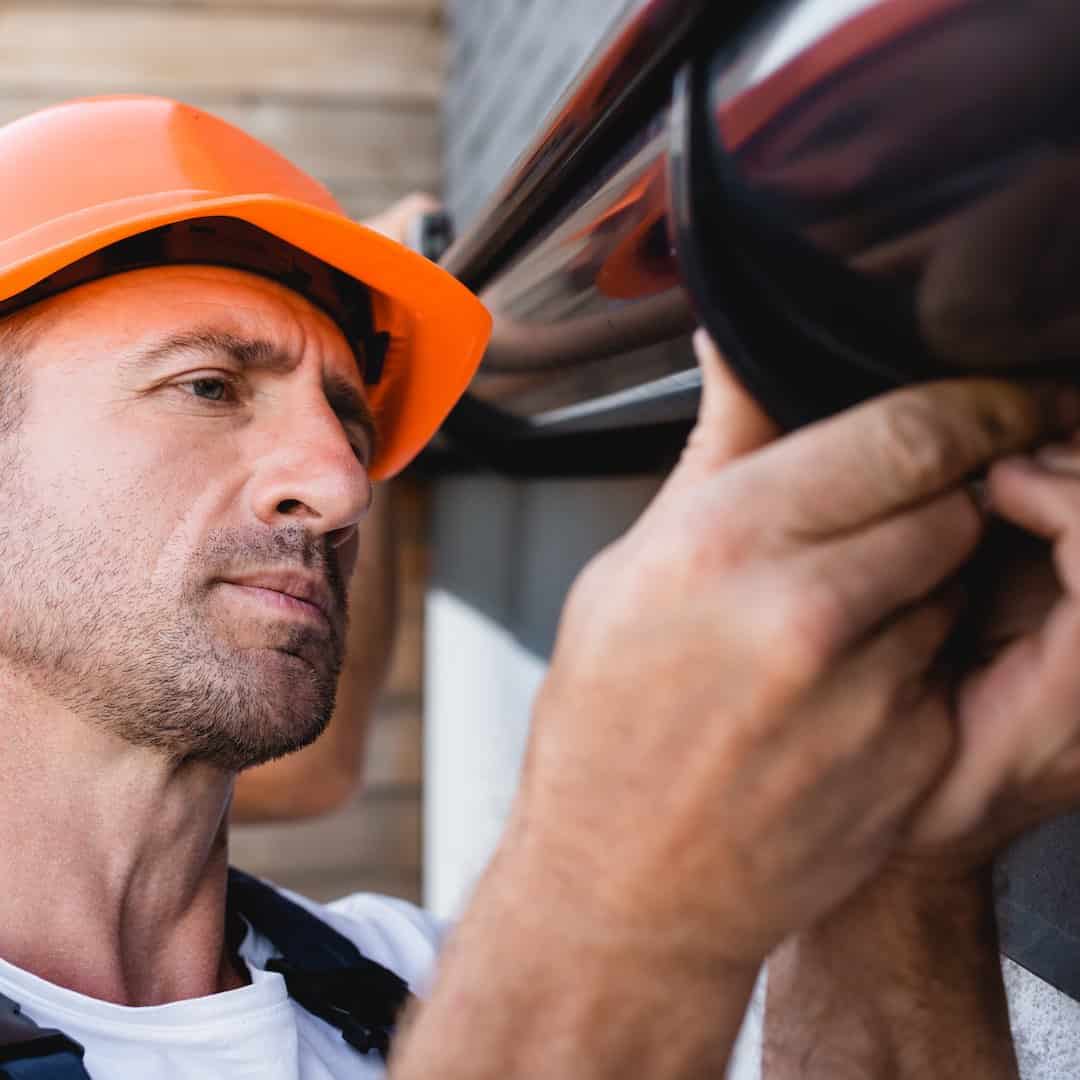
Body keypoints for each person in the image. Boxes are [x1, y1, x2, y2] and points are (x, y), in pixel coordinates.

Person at [3, 94, 1080, 1080]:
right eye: (207, 386)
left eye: (355, 425)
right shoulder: (540, 987)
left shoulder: (408, 988)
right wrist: (607, 876)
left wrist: (896, 852)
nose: (342, 485)